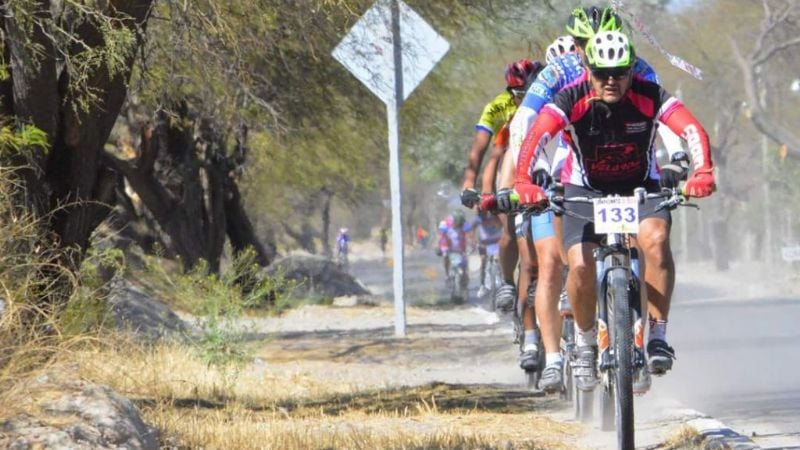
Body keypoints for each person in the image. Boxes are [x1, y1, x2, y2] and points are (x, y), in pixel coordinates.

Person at [500, 5, 691, 393]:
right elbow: (524, 125)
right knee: (558, 261)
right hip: (569, 167)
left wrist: (679, 158)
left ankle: (645, 328)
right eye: (585, 45)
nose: (601, 59)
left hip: (632, 165)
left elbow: (662, 112)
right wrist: (521, 180)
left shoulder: (636, 66)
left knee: (651, 242)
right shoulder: (559, 73)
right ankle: (569, 347)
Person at [460, 59, 545, 314]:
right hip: (509, 163)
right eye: (519, 94)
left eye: (528, 92)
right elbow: (482, 152)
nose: (524, 99)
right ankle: (507, 281)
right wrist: (470, 185)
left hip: (541, 163)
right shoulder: (498, 107)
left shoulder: (548, 100)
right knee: (510, 226)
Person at [475, 210, 504, 298]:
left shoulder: (498, 219)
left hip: (497, 245)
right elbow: (472, 231)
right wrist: (475, 242)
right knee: (483, 262)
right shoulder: (479, 220)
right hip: (485, 245)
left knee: (502, 262)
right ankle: (482, 285)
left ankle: (504, 284)